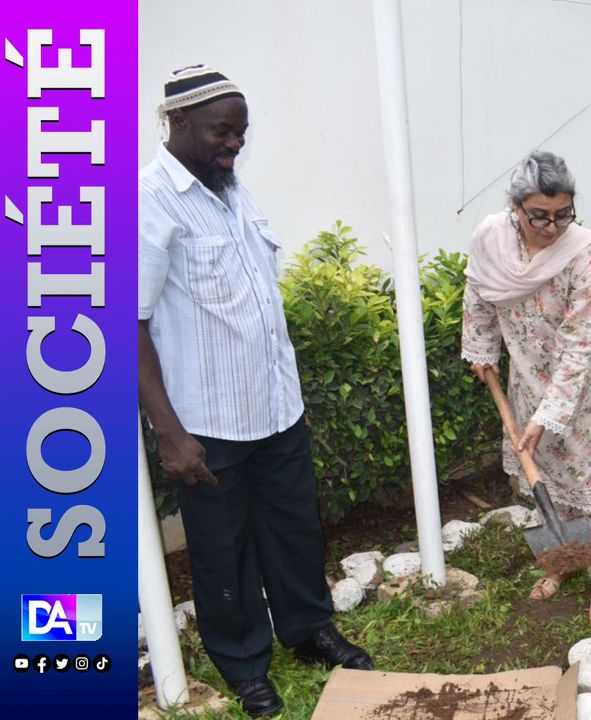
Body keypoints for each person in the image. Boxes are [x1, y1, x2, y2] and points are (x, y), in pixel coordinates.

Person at [138, 65, 372, 719]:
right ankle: (244, 666)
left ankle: (309, 630)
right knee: (221, 552)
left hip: (275, 406)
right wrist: (170, 433)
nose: (234, 143)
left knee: (296, 531)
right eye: (222, 131)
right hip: (206, 424)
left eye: (241, 132)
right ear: (177, 122)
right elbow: (130, 322)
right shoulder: (151, 199)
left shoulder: (230, 187)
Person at [462, 151, 591, 625]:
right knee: (544, 480)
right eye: (540, 216)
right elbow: (477, 294)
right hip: (527, 374)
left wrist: (546, 417)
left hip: (589, 381)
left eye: (563, 215)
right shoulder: (491, 239)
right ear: (516, 207)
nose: (553, 227)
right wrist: (481, 350)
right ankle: (564, 563)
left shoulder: (586, 255)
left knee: (588, 479)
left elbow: (581, 346)